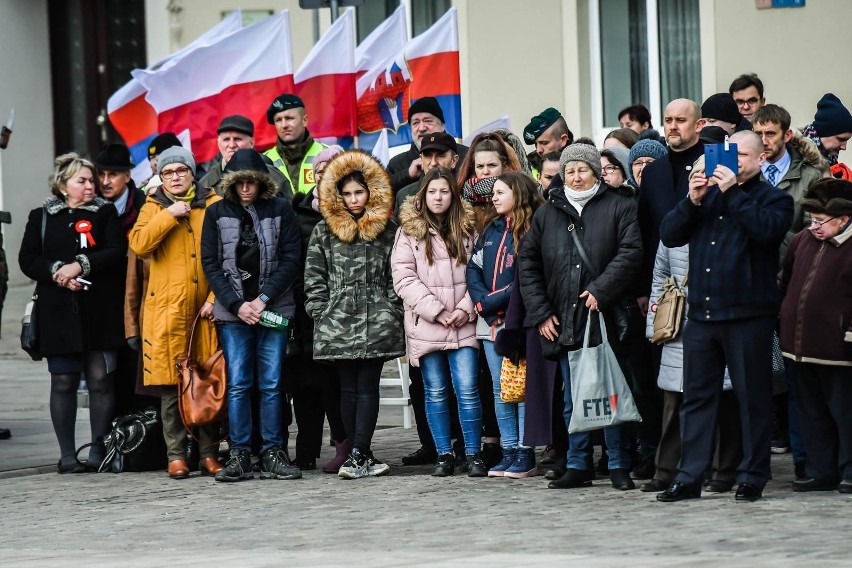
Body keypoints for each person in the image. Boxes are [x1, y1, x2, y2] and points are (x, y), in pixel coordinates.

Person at [656, 131, 793, 503]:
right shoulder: (706, 198)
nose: (732, 163)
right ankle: (688, 477)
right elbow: (669, 234)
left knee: (752, 399)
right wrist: (691, 200)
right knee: (697, 399)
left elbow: (766, 232)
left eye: (741, 156)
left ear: (760, 159)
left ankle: (752, 476)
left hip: (749, 316)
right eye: (728, 155)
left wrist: (733, 192)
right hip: (703, 315)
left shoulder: (775, 199)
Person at [518, 143, 642, 491]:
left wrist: (602, 289)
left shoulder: (620, 205)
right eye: (569, 170)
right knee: (575, 397)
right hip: (564, 317)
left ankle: (618, 463)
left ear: (596, 172)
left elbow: (631, 253)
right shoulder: (547, 213)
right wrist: (541, 312)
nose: (575, 176)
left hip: (606, 314)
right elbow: (527, 265)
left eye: (582, 169)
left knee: (611, 393)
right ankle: (578, 463)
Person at [18, 153, 127, 473]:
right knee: (63, 381)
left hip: (101, 311)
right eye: (82, 180)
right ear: (63, 185)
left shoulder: (105, 213)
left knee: (100, 380)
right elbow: (28, 258)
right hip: (59, 313)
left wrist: (81, 265)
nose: (91, 186)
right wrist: (58, 273)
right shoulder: (40, 216)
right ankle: (67, 455)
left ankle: (98, 449)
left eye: (92, 180)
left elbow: (116, 251)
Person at [200, 149, 302, 482]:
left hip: (272, 309)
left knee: (272, 385)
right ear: (230, 184)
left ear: (262, 183)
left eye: (252, 182)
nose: (246, 188)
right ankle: (240, 452)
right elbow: (211, 265)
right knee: (239, 384)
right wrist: (236, 304)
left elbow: (291, 259)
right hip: (233, 315)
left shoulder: (281, 209)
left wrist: (262, 299)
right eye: (240, 182)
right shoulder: (215, 213)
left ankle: (273, 451)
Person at [304, 150, 404, 479]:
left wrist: (391, 305)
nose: (353, 199)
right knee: (347, 388)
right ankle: (359, 453)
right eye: (346, 193)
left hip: (376, 316)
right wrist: (321, 310)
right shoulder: (324, 231)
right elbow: (314, 276)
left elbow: (397, 271)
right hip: (338, 319)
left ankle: (360, 452)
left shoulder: (386, 229)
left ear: (370, 191)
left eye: (358, 192)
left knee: (368, 386)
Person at [128, 146, 224, 480]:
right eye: (168, 173)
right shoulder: (153, 206)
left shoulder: (211, 204)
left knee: (207, 382)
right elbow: (139, 244)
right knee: (171, 388)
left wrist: (215, 296)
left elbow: (227, 255)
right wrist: (169, 215)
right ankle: (176, 455)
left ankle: (209, 453)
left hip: (204, 311)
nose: (175, 177)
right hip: (166, 313)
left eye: (181, 170)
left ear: (191, 172)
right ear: (161, 177)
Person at [393, 166, 485, 477]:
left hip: (464, 322)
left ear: (453, 195)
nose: (438, 196)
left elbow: (481, 273)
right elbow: (403, 278)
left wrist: (466, 308)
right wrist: (436, 310)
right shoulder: (408, 231)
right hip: (427, 323)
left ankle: (473, 453)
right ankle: (444, 453)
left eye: (444, 191)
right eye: (432, 191)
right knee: (434, 391)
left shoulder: (469, 229)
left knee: (468, 388)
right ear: (422, 195)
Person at [640, 241, 742, 494]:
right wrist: (655, 322)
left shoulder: (728, 222)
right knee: (675, 398)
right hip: (678, 321)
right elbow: (660, 275)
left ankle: (723, 471)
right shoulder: (678, 222)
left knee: (724, 399)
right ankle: (666, 470)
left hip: (720, 318)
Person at [467, 171, 543, 478]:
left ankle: (526, 452)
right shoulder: (491, 229)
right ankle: (509, 449)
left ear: (518, 194)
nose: (494, 197)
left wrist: (494, 305)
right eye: (493, 193)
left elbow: (526, 280)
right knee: (501, 390)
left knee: (521, 388)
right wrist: (485, 308)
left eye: (500, 192)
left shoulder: (533, 229)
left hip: (518, 323)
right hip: (490, 324)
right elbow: (473, 270)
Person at [780, 178, 852, 494]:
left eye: (822, 221)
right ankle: (820, 470)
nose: (814, 226)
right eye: (812, 219)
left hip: (838, 348)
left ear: (844, 219)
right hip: (799, 346)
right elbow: (787, 281)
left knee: (845, 413)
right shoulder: (801, 241)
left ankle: (849, 470)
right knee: (811, 413)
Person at [289, 144, 348, 473]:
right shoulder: (299, 212)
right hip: (308, 310)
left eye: (333, 166)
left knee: (344, 384)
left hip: (347, 313)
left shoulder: (355, 206)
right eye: (321, 167)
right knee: (309, 385)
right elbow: (293, 261)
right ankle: (307, 449)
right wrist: (309, 301)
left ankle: (347, 443)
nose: (325, 172)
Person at [386, 96, 469, 193]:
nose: (421, 128)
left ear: (442, 125)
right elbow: (379, 194)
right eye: (415, 123)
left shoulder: (467, 156)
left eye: (428, 121)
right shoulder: (397, 164)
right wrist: (407, 175)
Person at [198, 115, 291, 197]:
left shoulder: (275, 178)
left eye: (237, 139)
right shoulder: (205, 184)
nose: (231, 145)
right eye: (226, 139)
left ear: (251, 143)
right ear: (218, 144)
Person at [264, 94, 327, 195]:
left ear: (305, 120)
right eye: (278, 120)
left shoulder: (329, 155)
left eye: (289, 118)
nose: (284, 125)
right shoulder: (265, 160)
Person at [394, 132, 460, 219]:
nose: (433, 163)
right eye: (428, 156)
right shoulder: (404, 195)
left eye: (440, 156)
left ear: (454, 161)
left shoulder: (467, 193)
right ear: (421, 159)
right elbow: (392, 230)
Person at [94, 143, 145, 235]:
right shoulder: (89, 201)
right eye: (101, 174)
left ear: (127, 176)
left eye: (112, 174)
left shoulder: (143, 203)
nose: (105, 182)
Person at [801, 93, 852, 167]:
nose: (844, 147)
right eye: (840, 139)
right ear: (824, 132)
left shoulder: (831, 162)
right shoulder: (791, 158)